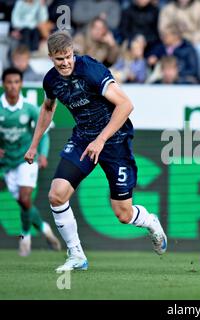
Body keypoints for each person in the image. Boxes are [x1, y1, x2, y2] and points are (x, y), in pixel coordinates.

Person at [24, 30, 167, 273]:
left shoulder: (90, 70)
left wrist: (101, 139)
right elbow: (48, 108)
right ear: (51, 58)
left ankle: (150, 221)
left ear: (73, 53)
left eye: (69, 56)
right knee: (56, 195)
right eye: (60, 59)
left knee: (123, 213)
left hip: (114, 139)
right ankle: (76, 255)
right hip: (83, 139)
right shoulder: (51, 81)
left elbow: (126, 104)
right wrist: (34, 144)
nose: (66, 62)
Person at [0, 67, 61, 256]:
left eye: (16, 82)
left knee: (25, 198)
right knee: (23, 202)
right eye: (9, 82)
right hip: (7, 164)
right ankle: (44, 228)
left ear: (21, 84)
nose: (12, 86)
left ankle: (25, 237)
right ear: (4, 84)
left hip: (26, 159)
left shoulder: (29, 108)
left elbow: (43, 131)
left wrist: (42, 154)